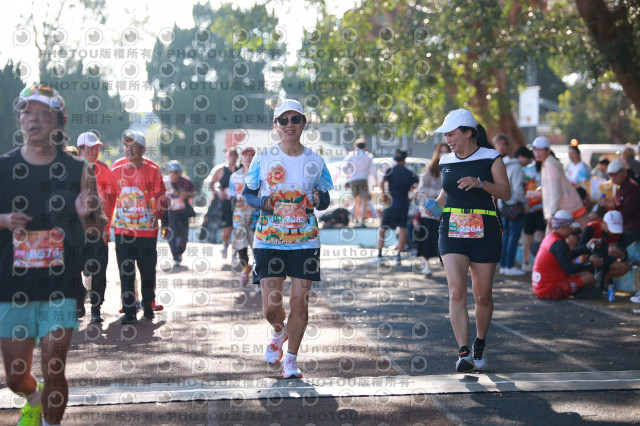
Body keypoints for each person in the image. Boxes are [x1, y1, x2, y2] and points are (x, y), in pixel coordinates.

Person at [0, 84, 105, 425]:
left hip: (60, 285)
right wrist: (4, 220)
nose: (31, 119)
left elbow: (97, 229)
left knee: (54, 368)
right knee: (16, 377)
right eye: (25, 112)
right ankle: (33, 398)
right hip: (12, 286)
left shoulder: (79, 170)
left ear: (59, 121)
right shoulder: (4, 167)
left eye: (41, 113)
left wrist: (88, 213)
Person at [242, 99, 333, 379]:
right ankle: (279, 331)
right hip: (269, 240)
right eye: (283, 120)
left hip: (305, 241)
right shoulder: (263, 158)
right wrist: (263, 202)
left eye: (295, 119)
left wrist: (319, 199)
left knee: (299, 303)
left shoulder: (315, 161)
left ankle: (291, 359)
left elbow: (325, 198)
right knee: (271, 308)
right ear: (276, 125)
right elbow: (248, 194)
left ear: (303, 123)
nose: (289, 125)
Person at [430, 109, 511, 373]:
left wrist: (480, 183)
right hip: (452, 230)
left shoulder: (491, 157)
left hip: (484, 230)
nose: (448, 139)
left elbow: (506, 193)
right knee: (456, 291)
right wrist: (433, 207)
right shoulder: (445, 160)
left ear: (468, 132)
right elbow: (444, 195)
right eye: (445, 135)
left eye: (452, 134)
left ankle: (480, 343)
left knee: (482, 296)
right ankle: (463, 352)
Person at [104, 130, 167, 324]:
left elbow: (161, 197)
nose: (129, 150)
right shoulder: (116, 169)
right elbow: (110, 200)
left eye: (134, 147)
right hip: (123, 230)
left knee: (147, 271)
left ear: (143, 149)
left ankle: (148, 305)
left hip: (147, 231)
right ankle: (129, 310)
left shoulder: (153, 170)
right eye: (127, 147)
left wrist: (157, 216)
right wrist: (105, 227)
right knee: (126, 272)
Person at [77, 131, 112, 324]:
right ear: (80, 150)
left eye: (96, 148)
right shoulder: (71, 169)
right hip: (76, 230)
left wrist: (107, 228)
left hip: (98, 227)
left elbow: (111, 198)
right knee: (74, 268)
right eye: (89, 149)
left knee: (98, 268)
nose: (94, 152)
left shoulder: (104, 169)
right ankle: (79, 296)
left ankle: (96, 307)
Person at [532, 210, 604, 300]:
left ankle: (575, 291)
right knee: (589, 278)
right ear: (564, 227)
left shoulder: (551, 238)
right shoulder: (559, 243)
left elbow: (568, 255)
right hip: (548, 290)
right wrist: (591, 263)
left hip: (542, 287)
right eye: (571, 227)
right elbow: (569, 269)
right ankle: (576, 292)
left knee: (585, 275)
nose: (572, 230)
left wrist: (587, 247)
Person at [369, 149, 419, 265]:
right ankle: (398, 257)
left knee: (382, 228)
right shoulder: (409, 173)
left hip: (391, 204)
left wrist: (383, 195)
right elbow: (418, 187)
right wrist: (411, 197)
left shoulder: (390, 170)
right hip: (404, 204)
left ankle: (379, 255)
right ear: (404, 159)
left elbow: (382, 182)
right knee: (402, 228)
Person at [529, 136, 588, 230]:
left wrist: (552, 215)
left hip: (565, 209)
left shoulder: (549, 165)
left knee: (586, 232)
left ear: (548, 151)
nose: (536, 153)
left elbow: (555, 192)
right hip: (567, 207)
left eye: (540, 150)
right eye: (535, 150)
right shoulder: (548, 163)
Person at [412, 142, 451, 276]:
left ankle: (449, 266)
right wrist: (439, 193)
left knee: (445, 239)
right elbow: (421, 189)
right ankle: (425, 264)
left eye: (446, 151)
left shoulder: (452, 167)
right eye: (441, 151)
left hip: (448, 210)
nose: (444, 154)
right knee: (428, 239)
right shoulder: (430, 168)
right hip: (430, 210)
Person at [493, 134, 527, 276]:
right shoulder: (515, 166)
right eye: (498, 144)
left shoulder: (496, 163)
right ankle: (508, 264)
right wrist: (525, 201)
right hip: (514, 204)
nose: (501, 147)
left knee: (506, 235)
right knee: (512, 235)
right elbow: (518, 188)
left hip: (502, 203)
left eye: (503, 144)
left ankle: (504, 264)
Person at [228, 147, 258, 288]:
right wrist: (238, 202)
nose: (249, 158)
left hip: (256, 217)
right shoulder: (235, 177)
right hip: (239, 216)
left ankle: (258, 280)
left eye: (252, 155)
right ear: (242, 158)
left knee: (257, 248)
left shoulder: (260, 175)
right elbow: (231, 197)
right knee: (241, 248)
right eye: (246, 155)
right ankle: (246, 270)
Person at [578, 210, 630, 289]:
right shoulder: (591, 227)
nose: (613, 232)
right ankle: (585, 280)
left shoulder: (619, 232)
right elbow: (580, 249)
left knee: (624, 266)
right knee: (582, 257)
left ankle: (600, 278)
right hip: (591, 259)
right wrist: (593, 255)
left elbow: (625, 255)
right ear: (603, 223)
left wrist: (620, 254)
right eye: (611, 228)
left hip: (606, 261)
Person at [598, 159, 640, 246]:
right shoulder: (619, 186)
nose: (613, 178)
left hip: (632, 227)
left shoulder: (631, 187)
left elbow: (629, 210)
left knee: (613, 246)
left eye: (616, 174)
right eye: (611, 175)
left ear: (624, 173)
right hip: (621, 224)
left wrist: (611, 204)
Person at [208, 148, 240, 258]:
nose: (233, 157)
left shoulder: (241, 169)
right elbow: (211, 184)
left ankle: (236, 252)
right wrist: (218, 192)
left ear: (237, 157)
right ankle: (225, 244)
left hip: (239, 203)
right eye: (231, 154)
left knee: (239, 229)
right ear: (227, 156)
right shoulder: (221, 170)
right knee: (227, 230)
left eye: (235, 154)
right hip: (225, 203)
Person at [515, 146, 541, 271]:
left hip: (540, 208)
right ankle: (528, 263)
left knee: (537, 236)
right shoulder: (526, 170)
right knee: (530, 236)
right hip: (531, 208)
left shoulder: (547, 169)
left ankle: (536, 264)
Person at [165, 160, 195, 266]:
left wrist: (186, 194)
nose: (174, 174)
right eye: (171, 172)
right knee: (171, 235)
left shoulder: (186, 181)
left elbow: (193, 193)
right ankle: (175, 256)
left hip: (183, 213)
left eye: (176, 172)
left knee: (183, 236)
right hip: (170, 213)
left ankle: (180, 251)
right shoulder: (165, 182)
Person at [342, 137, 376, 227]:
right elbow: (373, 170)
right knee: (364, 200)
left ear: (356, 146)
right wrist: (376, 182)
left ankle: (356, 220)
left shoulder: (351, 155)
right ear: (365, 147)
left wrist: (348, 175)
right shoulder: (368, 156)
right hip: (363, 180)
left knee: (355, 200)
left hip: (353, 180)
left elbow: (344, 167)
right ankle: (363, 221)